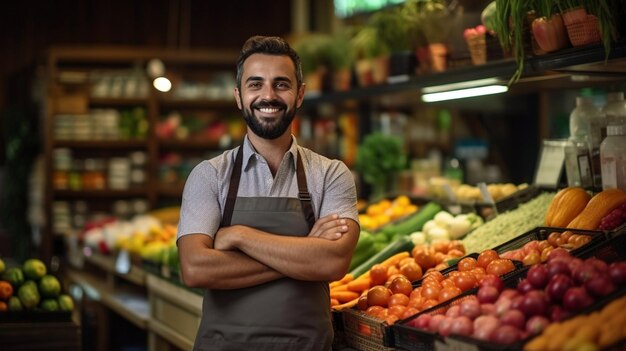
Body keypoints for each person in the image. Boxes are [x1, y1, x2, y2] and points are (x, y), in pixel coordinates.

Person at [176, 35, 360, 351]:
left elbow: (332, 264)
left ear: (300, 94)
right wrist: (305, 253)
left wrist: (240, 236)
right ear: (238, 96)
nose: (268, 95)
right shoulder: (209, 176)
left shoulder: (331, 174)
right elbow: (194, 268)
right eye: (255, 84)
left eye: (281, 84)